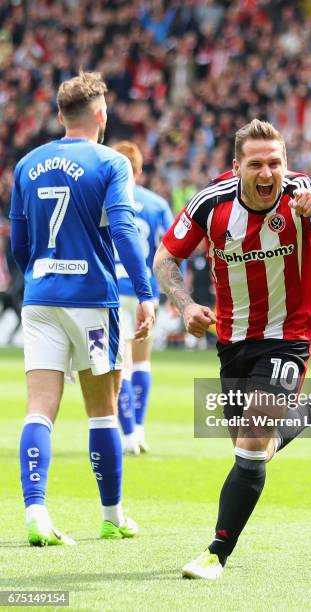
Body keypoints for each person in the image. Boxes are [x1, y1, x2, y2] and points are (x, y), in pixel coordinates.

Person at [154, 119, 311, 579]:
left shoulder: (301, 193)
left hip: (289, 335)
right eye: (257, 165)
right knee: (255, 453)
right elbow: (165, 258)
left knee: (249, 446)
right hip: (233, 339)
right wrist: (185, 306)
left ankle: (214, 554)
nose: (268, 174)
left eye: (276, 163)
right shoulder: (210, 204)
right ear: (237, 167)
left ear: (286, 163)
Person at [9, 71, 155, 546]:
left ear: (58, 115)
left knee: (38, 410)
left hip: (40, 297)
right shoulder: (112, 163)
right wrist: (145, 290)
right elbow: (125, 232)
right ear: (101, 115)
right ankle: (111, 517)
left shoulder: (27, 164)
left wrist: (38, 273)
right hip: (92, 299)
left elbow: (20, 241)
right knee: (102, 413)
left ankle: (36, 511)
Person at [112, 140, 173, 455]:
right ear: (138, 170)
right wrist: (178, 290)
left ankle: (129, 434)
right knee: (142, 361)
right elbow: (174, 249)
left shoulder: (102, 201)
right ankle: (139, 429)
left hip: (111, 292)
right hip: (146, 291)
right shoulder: (156, 204)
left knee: (120, 363)